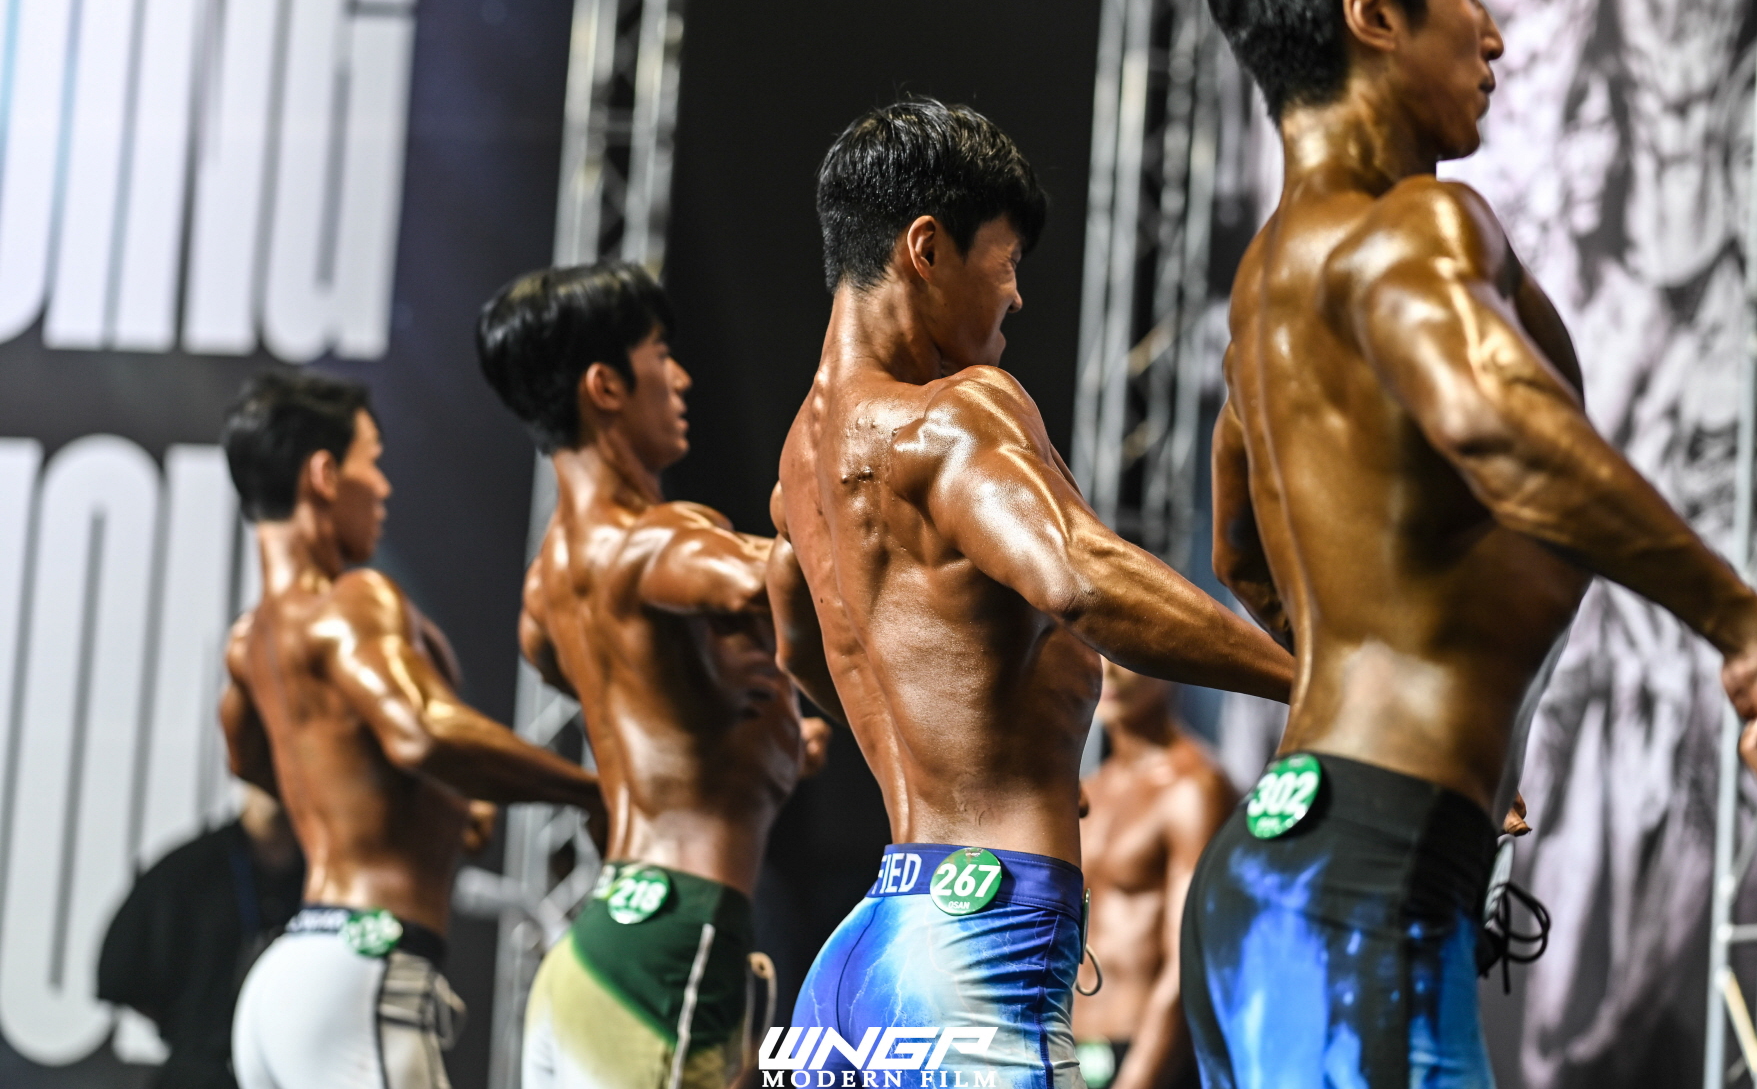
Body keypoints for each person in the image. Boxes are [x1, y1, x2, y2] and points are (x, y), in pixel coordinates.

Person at [1187, 0, 1757, 1084]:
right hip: (1362, 887)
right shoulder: (1412, 227)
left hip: (1282, 873)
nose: (1492, 38)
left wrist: (1400, 690)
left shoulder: (1265, 289)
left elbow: (1239, 553)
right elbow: (1495, 426)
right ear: (1372, 12)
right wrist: (1735, 617)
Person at [766, 99, 1294, 1085]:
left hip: (866, 951)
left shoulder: (799, 468)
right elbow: (1078, 576)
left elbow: (793, 637)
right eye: (1005, 262)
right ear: (926, 249)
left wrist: (944, 738)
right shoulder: (957, 412)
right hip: (975, 949)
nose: (1014, 297)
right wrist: (1314, 683)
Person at [476, 262, 832, 1089]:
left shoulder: (544, 598)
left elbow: (662, 726)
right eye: (660, 354)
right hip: (674, 947)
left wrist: (776, 743)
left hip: (598, 945)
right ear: (605, 386)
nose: (681, 378)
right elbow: (786, 577)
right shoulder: (657, 539)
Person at [218, 370, 604, 1089]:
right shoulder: (354, 599)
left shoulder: (249, 644)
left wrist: (428, 806)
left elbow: (249, 761)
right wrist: (590, 790)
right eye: (373, 461)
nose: (384, 487)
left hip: (288, 978)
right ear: (324, 474)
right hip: (363, 972)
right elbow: (421, 734)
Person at [1073, 662, 1233, 1089]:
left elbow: (1190, 959)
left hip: (1150, 1059)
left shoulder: (1195, 787)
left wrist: (1137, 1080)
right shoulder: (1090, 791)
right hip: (1071, 1048)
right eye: (1097, 651)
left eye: (1125, 654)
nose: (1108, 670)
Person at [97, 784, 305, 1089]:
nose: (274, 779)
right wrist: (192, 1032)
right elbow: (121, 973)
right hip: (202, 1071)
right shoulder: (191, 868)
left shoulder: (329, 878)